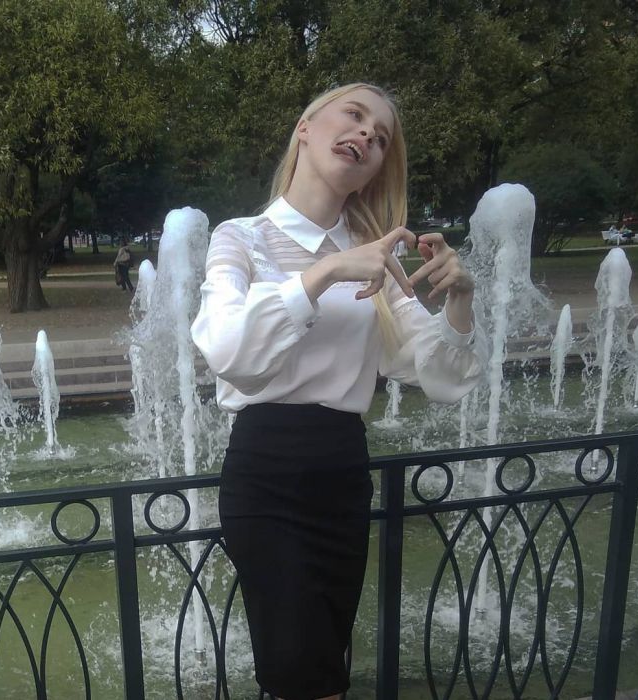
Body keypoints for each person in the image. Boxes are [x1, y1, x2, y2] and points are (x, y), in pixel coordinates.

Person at [191, 83, 485, 700]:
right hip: (268, 471)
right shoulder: (239, 237)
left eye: (381, 137)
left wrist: (460, 299)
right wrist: (322, 274)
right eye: (354, 115)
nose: (367, 135)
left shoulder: (375, 255)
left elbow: (439, 377)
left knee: (323, 669)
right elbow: (229, 353)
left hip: (342, 472)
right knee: (300, 671)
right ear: (305, 127)